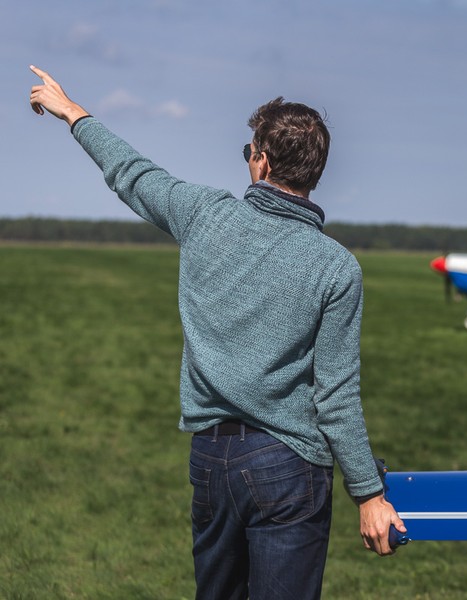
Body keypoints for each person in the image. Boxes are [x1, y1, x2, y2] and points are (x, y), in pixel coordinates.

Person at [29, 65, 405, 600]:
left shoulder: (203, 213)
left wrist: (73, 113)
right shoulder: (337, 267)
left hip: (210, 460)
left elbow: (131, 172)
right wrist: (367, 493)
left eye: (248, 151)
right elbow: (336, 396)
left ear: (262, 161)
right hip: (290, 467)